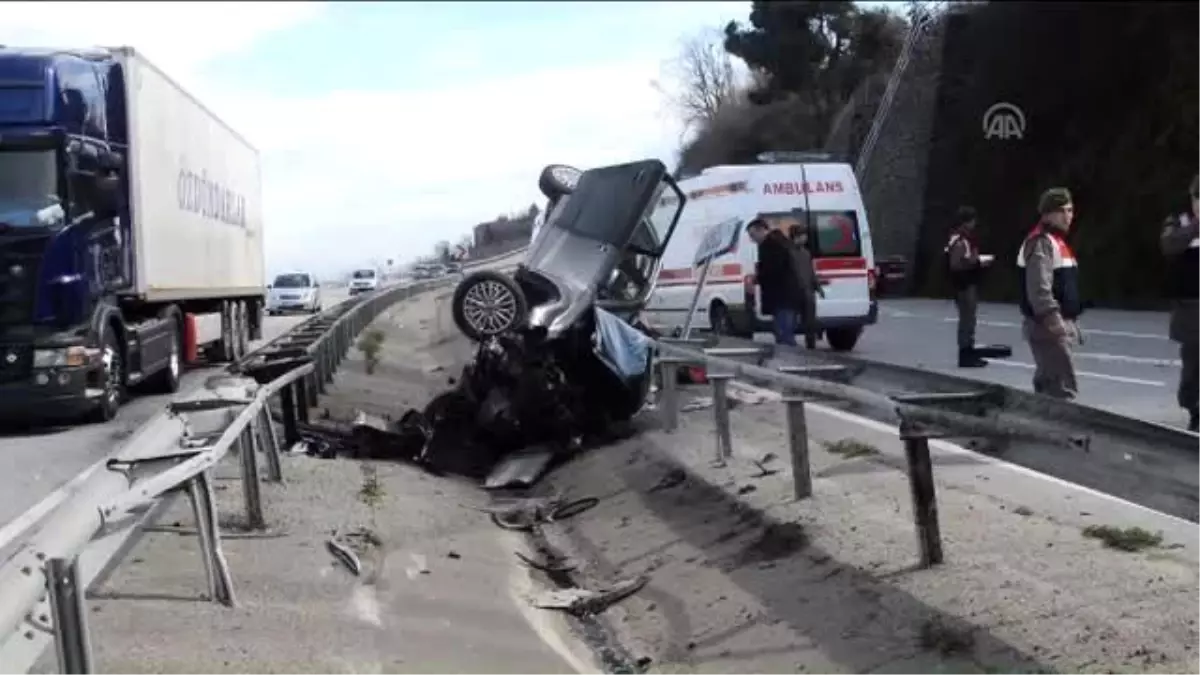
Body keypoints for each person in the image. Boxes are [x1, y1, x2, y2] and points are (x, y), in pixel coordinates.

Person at [1016, 187, 1081, 400]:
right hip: (1047, 326)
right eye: (1063, 211)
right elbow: (1039, 286)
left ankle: (1047, 425)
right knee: (1060, 387)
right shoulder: (1041, 241)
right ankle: (1058, 430)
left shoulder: (1056, 241)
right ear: (1047, 214)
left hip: (1056, 324)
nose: (1068, 216)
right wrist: (1053, 318)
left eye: (1070, 210)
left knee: (1051, 381)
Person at [1159, 174, 1200, 431]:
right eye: (1198, 198)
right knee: (1194, 364)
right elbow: (1168, 244)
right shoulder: (1179, 222)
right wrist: (1197, 226)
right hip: (1191, 309)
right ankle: (1193, 407)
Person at [747, 219, 821, 348]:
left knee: (784, 336)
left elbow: (773, 269)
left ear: (761, 230)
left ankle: (793, 362)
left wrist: (757, 278)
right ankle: (792, 360)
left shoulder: (772, 245)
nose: (752, 240)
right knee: (784, 334)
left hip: (783, 298)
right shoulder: (779, 242)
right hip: (788, 297)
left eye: (753, 235)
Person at [944, 205, 993, 368]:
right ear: (966, 222)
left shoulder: (959, 239)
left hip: (964, 284)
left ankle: (968, 354)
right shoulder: (960, 241)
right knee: (967, 321)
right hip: (964, 285)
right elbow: (956, 264)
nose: (974, 225)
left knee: (968, 320)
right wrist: (977, 262)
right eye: (972, 221)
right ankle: (966, 356)